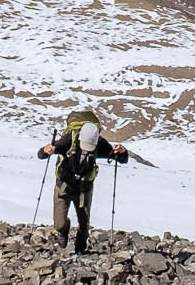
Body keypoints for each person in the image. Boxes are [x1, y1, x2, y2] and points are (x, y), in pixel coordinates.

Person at [39, 104, 132, 254]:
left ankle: (80, 250)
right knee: (59, 223)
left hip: (84, 187)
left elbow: (120, 159)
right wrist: (46, 151)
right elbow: (41, 154)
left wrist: (122, 152)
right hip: (64, 184)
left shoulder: (99, 143)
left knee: (84, 223)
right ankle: (63, 231)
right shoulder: (68, 140)